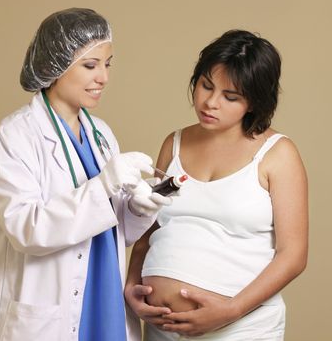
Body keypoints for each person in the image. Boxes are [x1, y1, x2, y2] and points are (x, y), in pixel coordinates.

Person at [0, 8, 171, 341]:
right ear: (56, 65)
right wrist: (105, 184)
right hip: (46, 315)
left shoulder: (101, 134)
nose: (103, 78)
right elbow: (27, 230)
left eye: (107, 64)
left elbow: (111, 233)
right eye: (90, 65)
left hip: (103, 301)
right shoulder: (15, 137)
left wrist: (139, 208)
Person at [125, 29, 308, 340]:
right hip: (162, 327)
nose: (210, 102)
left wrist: (231, 310)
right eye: (205, 86)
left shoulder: (278, 154)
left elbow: (294, 255)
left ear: (254, 102)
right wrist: (131, 286)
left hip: (241, 328)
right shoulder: (175, 143)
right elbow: (148, 228)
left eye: (230, 97)